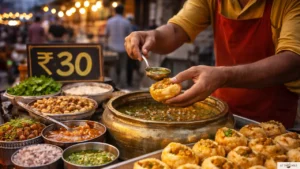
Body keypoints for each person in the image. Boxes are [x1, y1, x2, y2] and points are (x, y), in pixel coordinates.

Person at [125, 0, 300, 128]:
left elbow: (293, 61)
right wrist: (152, 36)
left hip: (273, 117)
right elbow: (177, 30)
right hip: (221, 110)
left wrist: (223, 75)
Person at [105, 5, 132, 88]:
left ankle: (114, 85)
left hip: (112, 47)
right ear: (123, 11)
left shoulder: (109, 21)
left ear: (115, 11)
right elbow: (130, 35)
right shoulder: (126, 22)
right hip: (124, 48)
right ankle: (123, 85)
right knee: (123, 67)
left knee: (113, 67)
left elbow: (106, 34)